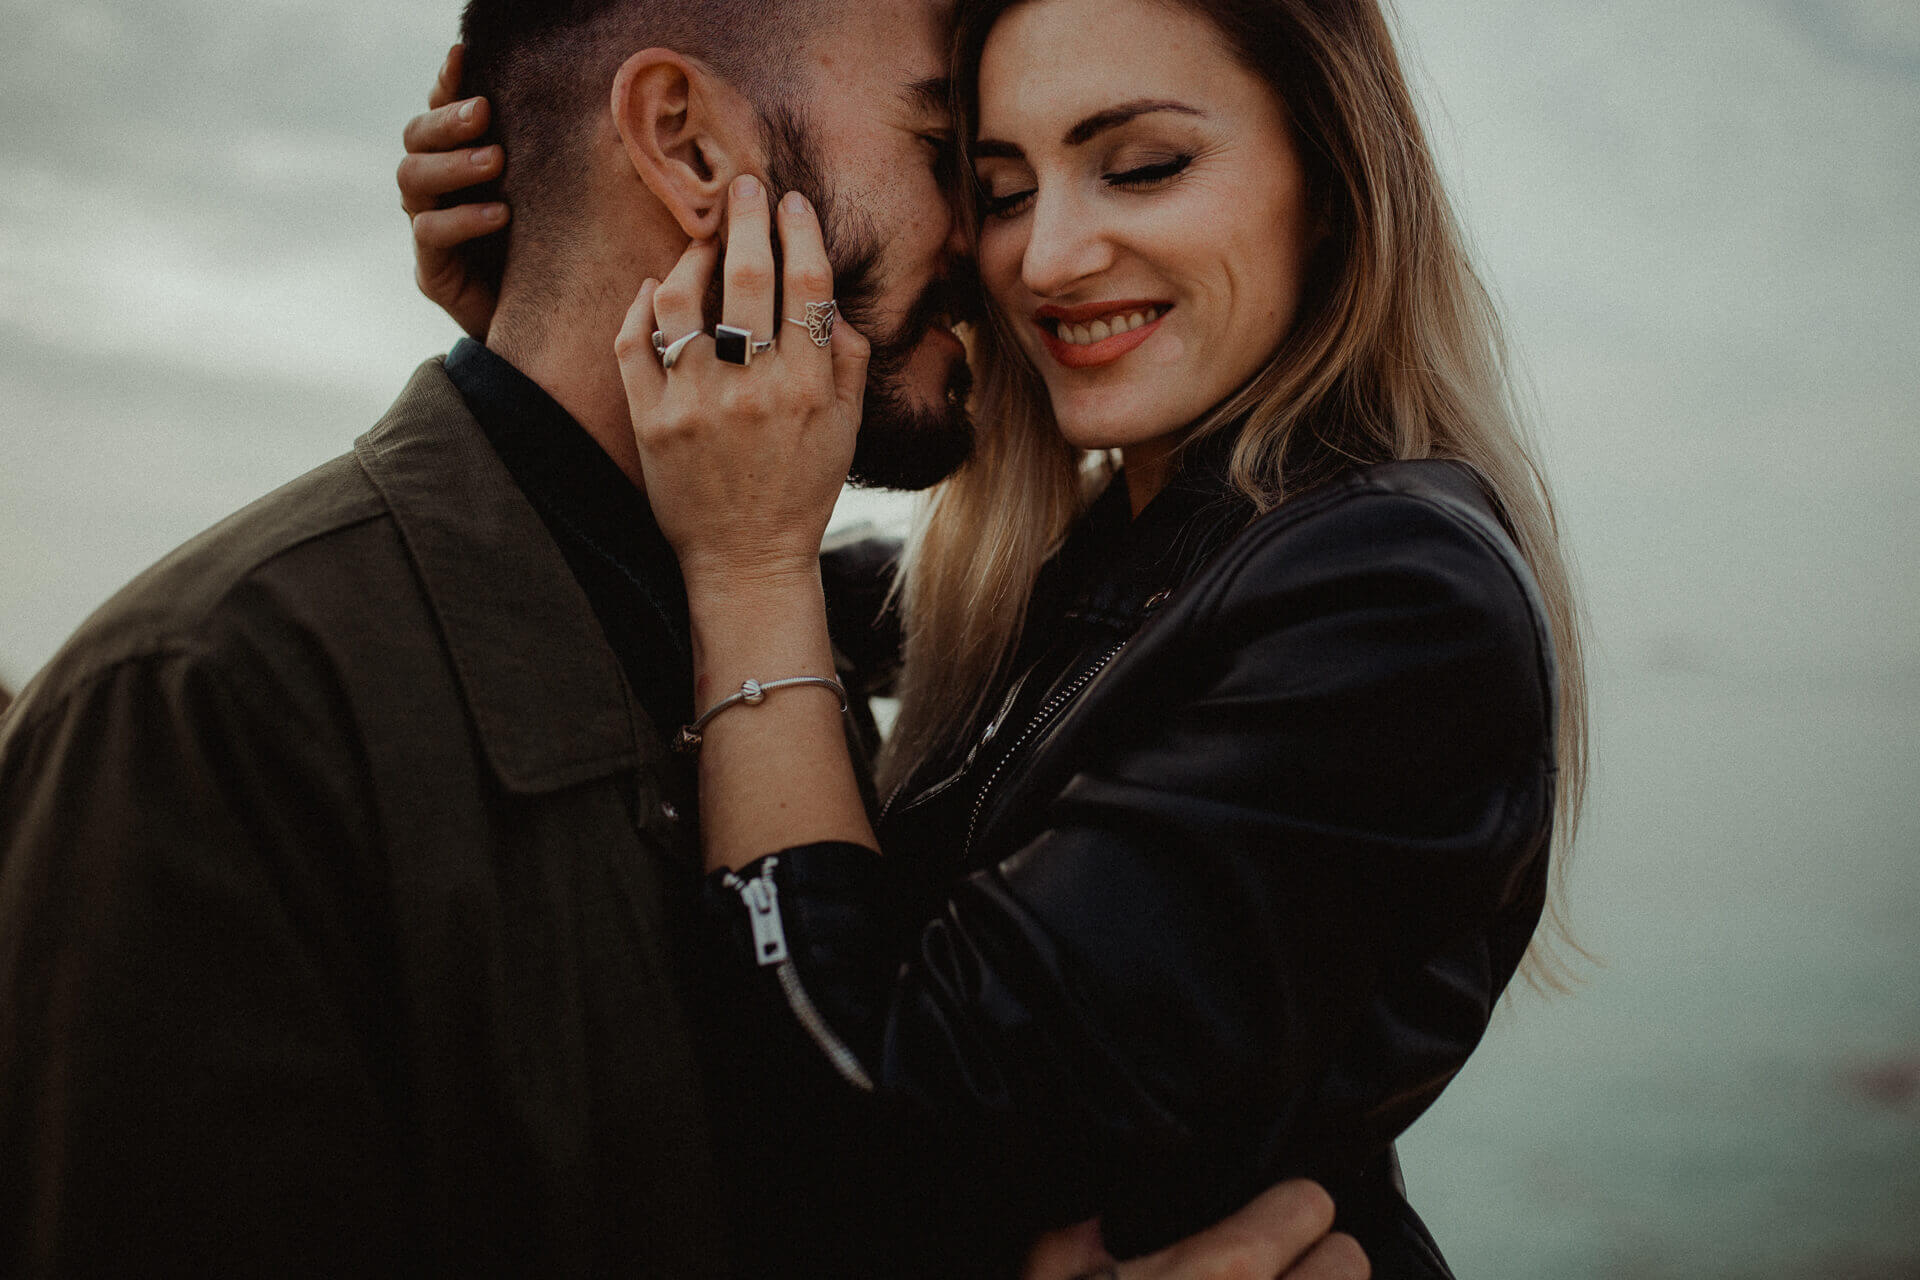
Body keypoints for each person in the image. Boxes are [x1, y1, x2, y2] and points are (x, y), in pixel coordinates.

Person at [0, 1, 1362, 1276]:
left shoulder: (746, 621)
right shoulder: (208, 708)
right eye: (958, 153)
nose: (1014, 243)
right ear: (691, 144)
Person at [406, 0, 1586, 1274]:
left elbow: (879, 1147)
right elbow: (684, 566)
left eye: (1143, 166)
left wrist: (752, 574)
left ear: (1336, 184)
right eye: (999, 187)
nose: (1044, 259)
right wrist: (562, 324)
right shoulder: (1095, 559)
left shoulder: (1392, 600)